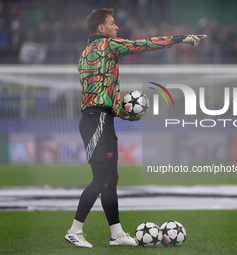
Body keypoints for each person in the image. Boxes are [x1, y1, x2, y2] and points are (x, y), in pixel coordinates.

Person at [65, 8, 206, 248]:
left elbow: (96, 92)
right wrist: (179, 39)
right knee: (101, 179)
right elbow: (142, 44)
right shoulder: (107, 46)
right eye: (112, 23)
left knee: (110, 179)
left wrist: (119, 111)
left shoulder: (86, 53)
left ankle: (117, 234)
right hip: (96, 119)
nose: (116, 27)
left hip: (99, 117)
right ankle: (75, 230)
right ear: (101, 29)